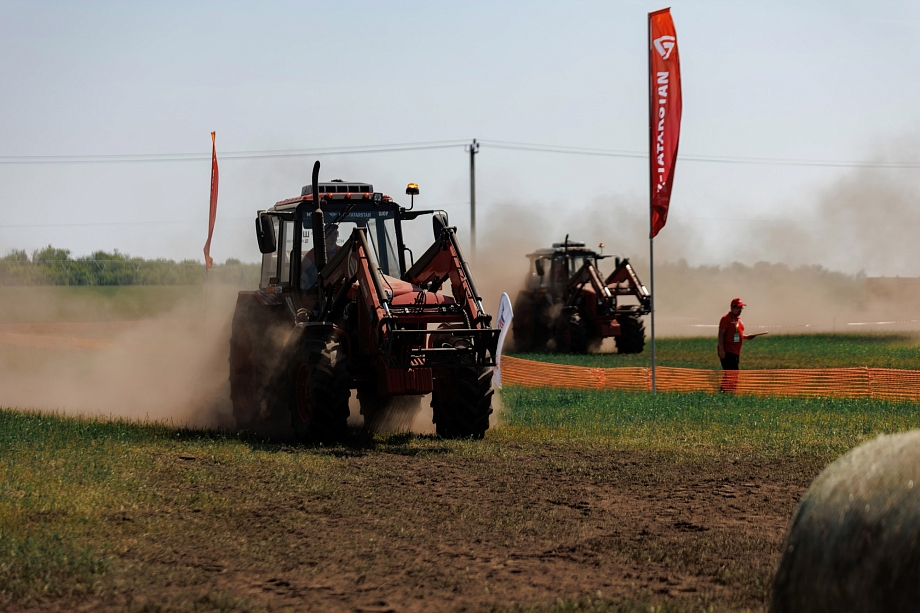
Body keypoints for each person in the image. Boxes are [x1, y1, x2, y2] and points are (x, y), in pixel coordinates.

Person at [717, 297, 760, 391]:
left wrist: (746, 337)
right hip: (727, 350)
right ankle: (726, 392)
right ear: (732, 307)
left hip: (736, 351)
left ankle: (726, 392)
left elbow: (737, 334)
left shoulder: (738, 320)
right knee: (732, 373)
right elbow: (721, 335)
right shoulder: (725, 319)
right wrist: (721, 349)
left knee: (733, 373)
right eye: (738, 308)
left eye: (741, 308)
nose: (740, 310)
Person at [301, 224, 340, 289]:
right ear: (324, 235)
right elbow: (302, 267)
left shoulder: (341, 251)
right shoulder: (315, 252)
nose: (333, 236)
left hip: (338, 286)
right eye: (330, 234)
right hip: (319, 287)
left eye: (335, 233)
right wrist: (303, 273)